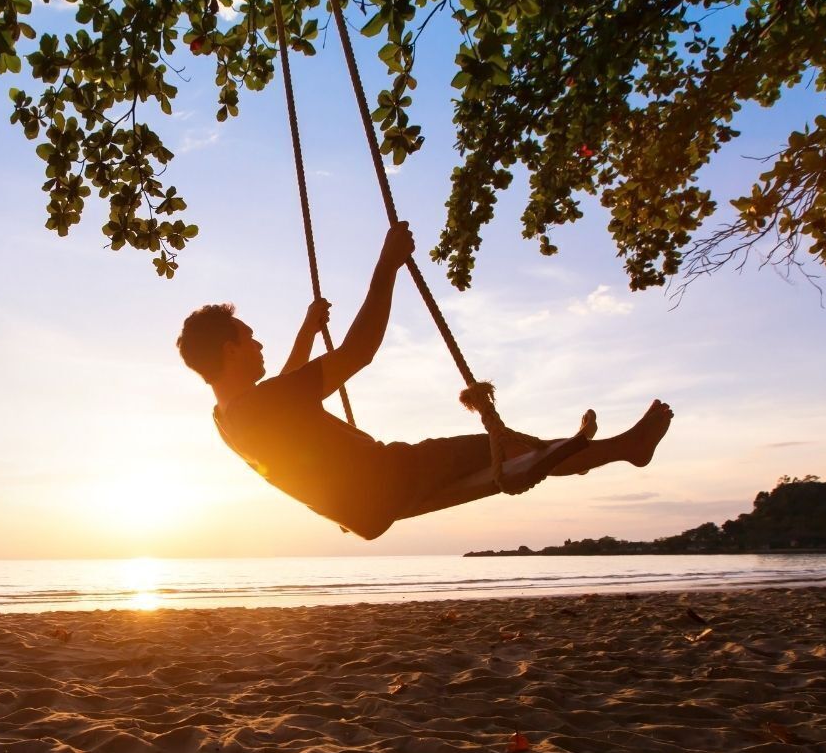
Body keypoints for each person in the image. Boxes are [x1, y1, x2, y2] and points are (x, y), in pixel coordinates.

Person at [177, 221, 674, 540]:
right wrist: (386, 265)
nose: (260, 345)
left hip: (359, 507)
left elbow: (284, 388)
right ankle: (622, 449)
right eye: (250, 337)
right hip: (389, 477)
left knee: (511, 450)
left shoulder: (229, 417)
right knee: (514, 448)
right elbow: (359, 351)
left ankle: (608, 450)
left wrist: (307, 332)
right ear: (229, 350)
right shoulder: (262, 406)